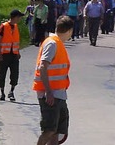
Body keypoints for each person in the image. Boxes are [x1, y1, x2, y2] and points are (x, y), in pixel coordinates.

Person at [34, 16, 73, 145]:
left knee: (57, 131)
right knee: (49, 130)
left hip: (59, 94)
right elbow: (43, 66)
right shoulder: (52, 43)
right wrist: (49, 92)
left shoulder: (57, 43)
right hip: (51, 95)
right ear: (69, 31)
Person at [0, 9, 24, 101]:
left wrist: (18, 52)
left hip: (14, 55)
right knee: (2, 74)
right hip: (4, 55)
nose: (20, 19)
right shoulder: (4, 26)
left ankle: (11, 92)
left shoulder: (15, 27)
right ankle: (2, 93)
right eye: (19, 17)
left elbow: (15, 41)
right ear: (15, 17)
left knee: (15, 74)